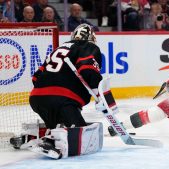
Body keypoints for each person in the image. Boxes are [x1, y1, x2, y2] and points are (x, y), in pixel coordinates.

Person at [11, 24, 104, 159]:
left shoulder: (59, 49)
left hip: (37, 98)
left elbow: (36, 77)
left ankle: (30, 138)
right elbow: (88, 68)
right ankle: (50, 142)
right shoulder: (89, 46)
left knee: (57, 125)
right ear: (91, 38)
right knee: (80, 135)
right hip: (63, 100)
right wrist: (99, 94)